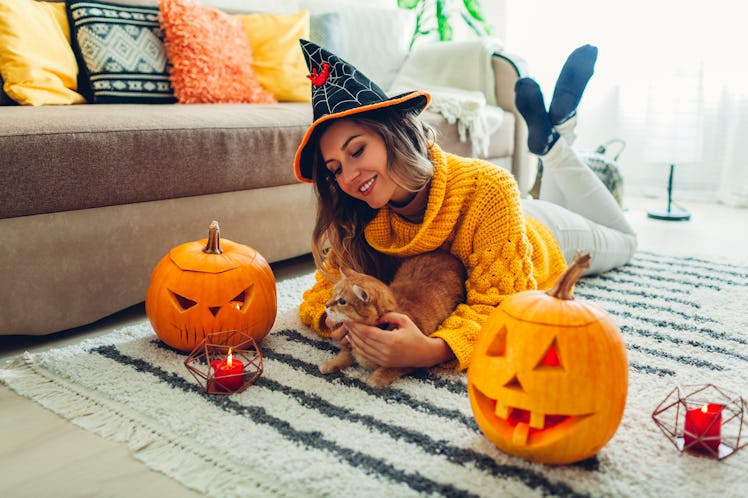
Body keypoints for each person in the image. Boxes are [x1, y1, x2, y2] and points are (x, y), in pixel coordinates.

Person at [293, 40, 637, 371]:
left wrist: (431, 350)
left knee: (625, 239)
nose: (349, 176)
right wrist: (334, 320)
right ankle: (554, 135)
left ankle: (555, 145)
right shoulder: (357, 215)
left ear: (393, 135)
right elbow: (318, 294)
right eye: (335, 169)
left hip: (543, 236)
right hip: (503, 224)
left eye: (357, 151)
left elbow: (501, 306)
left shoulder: (489, 186)